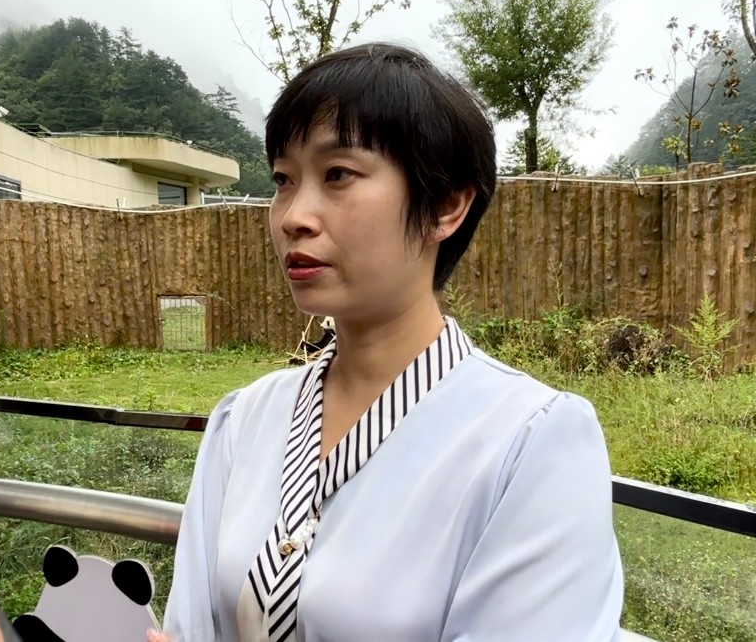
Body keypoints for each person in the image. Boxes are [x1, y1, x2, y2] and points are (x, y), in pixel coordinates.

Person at [154, 42, 623, 642]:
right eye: (283, 180)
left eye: (338, 174)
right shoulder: (245, 421)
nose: (293, 215)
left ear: (446, 205)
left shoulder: (530, 443)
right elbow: (193, 625)